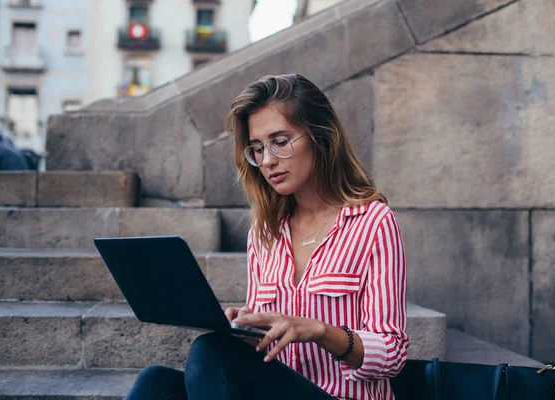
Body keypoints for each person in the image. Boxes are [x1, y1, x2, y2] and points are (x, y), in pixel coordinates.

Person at [124, 74, 409, 400]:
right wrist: (242, 327)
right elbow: (264, 347)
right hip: (279, 390)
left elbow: (393, 353)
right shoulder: (265, 232)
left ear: (321, 137)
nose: (268, 160)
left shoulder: (373, 223)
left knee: (210, 353)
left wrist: (318, 330)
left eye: (280, 141)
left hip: (341, 396)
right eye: (257, 148)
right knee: (156, 382)